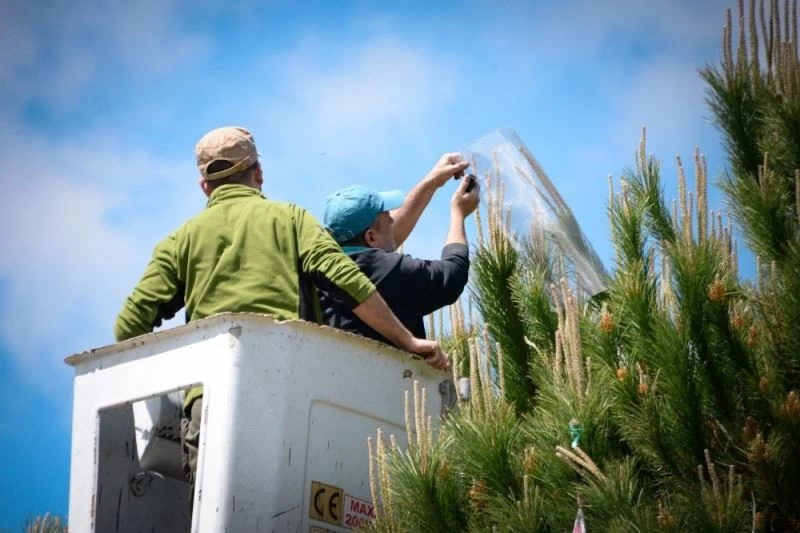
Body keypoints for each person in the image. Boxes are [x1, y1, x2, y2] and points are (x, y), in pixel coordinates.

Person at [113, 126, 449, 495]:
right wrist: (409, 341)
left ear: (205, 187)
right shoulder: (292, 220)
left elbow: (129, 326)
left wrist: (188, 381)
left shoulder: (179, 241)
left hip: (208, 406)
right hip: (291, 397)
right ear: (258, 173)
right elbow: (347, 279)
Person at [319, 153, 480, 345]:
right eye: (386, 215)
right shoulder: (388, 271)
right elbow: (453, 274)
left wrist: (434, 180)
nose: (392, 219)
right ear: (370, 237)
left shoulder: (320, 268)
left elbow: (384, 238)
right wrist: (458, 213)